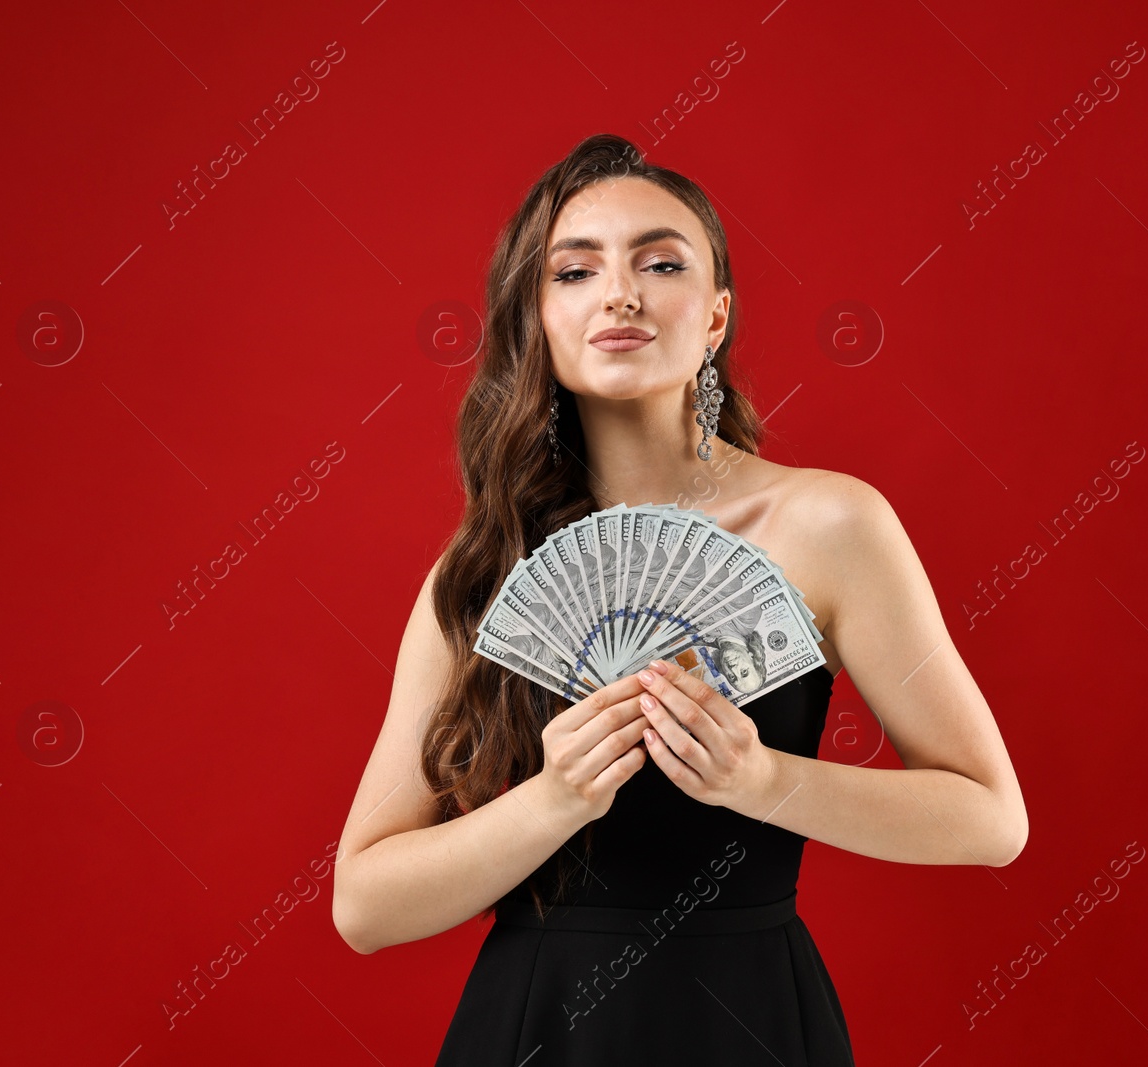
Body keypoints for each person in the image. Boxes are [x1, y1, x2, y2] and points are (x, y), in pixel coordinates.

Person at [331, 133, 1030, 1066]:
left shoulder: (829, 522)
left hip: (753, 1017)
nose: (620, 292)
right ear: (534, 320)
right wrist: (555, 798)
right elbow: (365, 906)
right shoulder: (487, 564)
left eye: (661, 262)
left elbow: (992, 820)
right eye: (574, 272)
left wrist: (765, 781)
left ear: (714, 317)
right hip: (537, 1027)